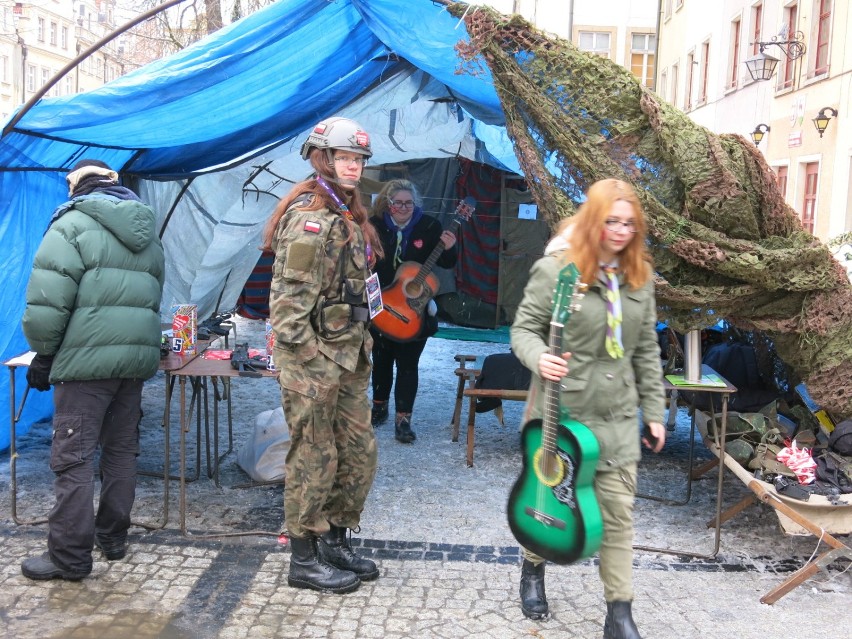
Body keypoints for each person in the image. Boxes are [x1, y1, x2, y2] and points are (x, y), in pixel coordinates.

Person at [510, 179, 666, 638]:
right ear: (593, 220)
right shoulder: (557, 270)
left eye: (629, 223)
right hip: (561, 413)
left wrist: (654, 412)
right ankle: (533, 567)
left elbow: (646, 352)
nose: (620, 231)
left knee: (616, 515)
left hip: (617, 419)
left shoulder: (640, 278)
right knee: (552, 501)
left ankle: (619, 613)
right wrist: (539, 356)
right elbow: (523, 329)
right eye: (611, 221)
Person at [20, 159, 166, 581]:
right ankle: (113, 539)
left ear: (74, 185)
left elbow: (47, 301)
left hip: (84, 367)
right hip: (133, 364)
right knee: (121, 453)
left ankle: (69, 558)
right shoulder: (146, 231)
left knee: (73, 460)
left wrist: (44, 355)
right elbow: (154, 296)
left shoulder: (70, 225)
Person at [262, 117, 383, 594]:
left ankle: (335, 538)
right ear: (324, 159)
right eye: (345, 158)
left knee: (358, 451)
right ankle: (304, 557)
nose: (354, 166)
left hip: (348, 355)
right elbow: (287, 312)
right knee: (314, 455)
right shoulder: (312, 219)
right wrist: (314, 364)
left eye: (358, 159)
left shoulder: (347, 213)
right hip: (314, 360)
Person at [368, 179, 458, 443]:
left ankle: (403, 419)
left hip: (413, 308)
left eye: (409, 203)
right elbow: (364, 262)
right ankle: (379, 407)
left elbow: (446, 262)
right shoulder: (374, 226)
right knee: (380, 359)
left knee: (408, 365)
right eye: (398, 203)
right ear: (388, 203)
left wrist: (450, 247)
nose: (404, 208)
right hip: (381, 302)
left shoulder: (429, 226)